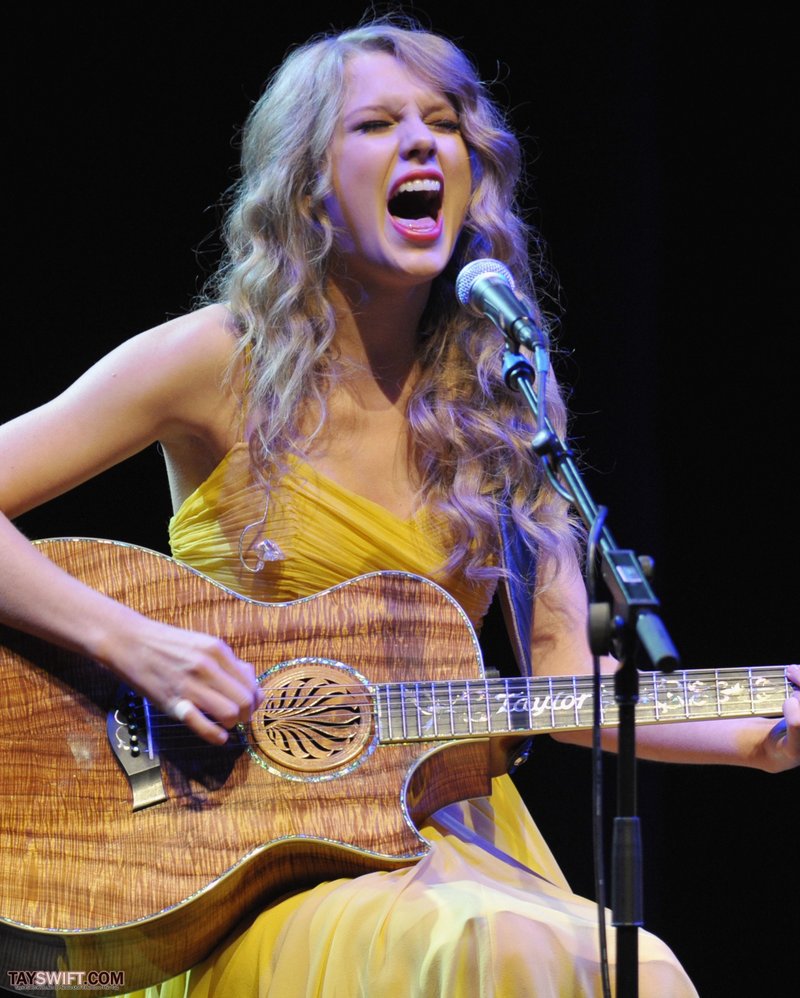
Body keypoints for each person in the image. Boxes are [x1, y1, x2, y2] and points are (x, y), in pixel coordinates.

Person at [1, 16, 797, 998]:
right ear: (304, 184)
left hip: (442, 834)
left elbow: (562, 679)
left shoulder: (504, 398)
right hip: (241, 851)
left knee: (639, 970)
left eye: (444, 120)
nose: (421, 141)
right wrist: (135, 643)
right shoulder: (213, 359)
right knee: (481, 949)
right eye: (375, 123)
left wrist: (761, 734)